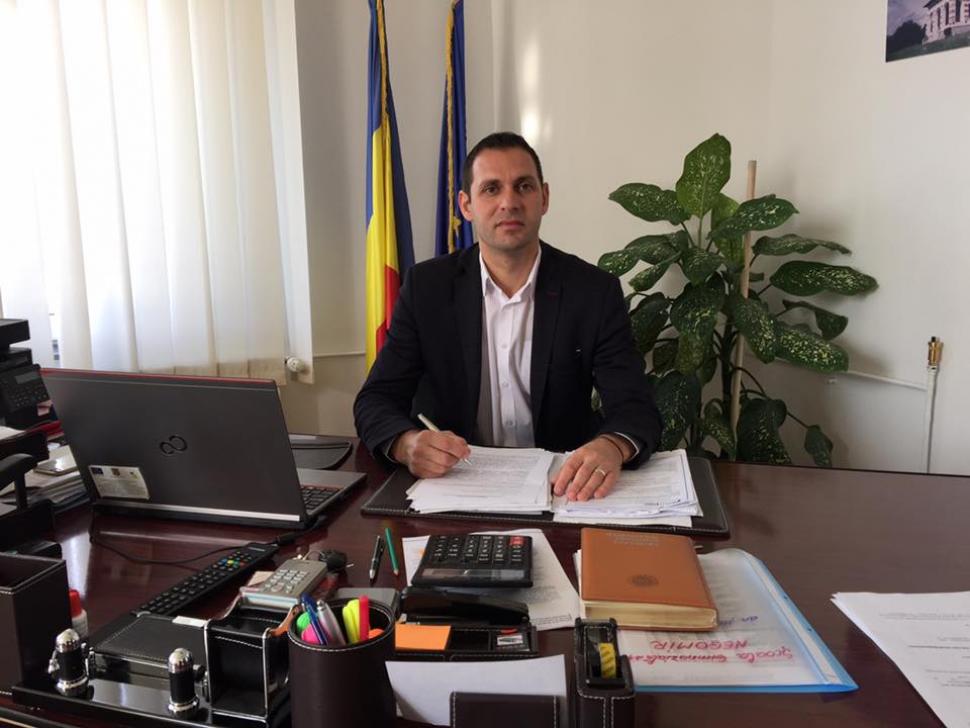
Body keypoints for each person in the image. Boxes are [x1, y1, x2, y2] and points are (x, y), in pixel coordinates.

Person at [354, 132, 662, 501]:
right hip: (455, 486)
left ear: (544, 198)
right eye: (491, 189)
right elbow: (376, 399)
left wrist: (612, 445)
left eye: (523, 186)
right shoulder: (426, 289)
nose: (509, 202)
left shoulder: (593, 292)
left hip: (563, 489)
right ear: (466, 205)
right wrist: (407, 445)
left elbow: (635, 406)